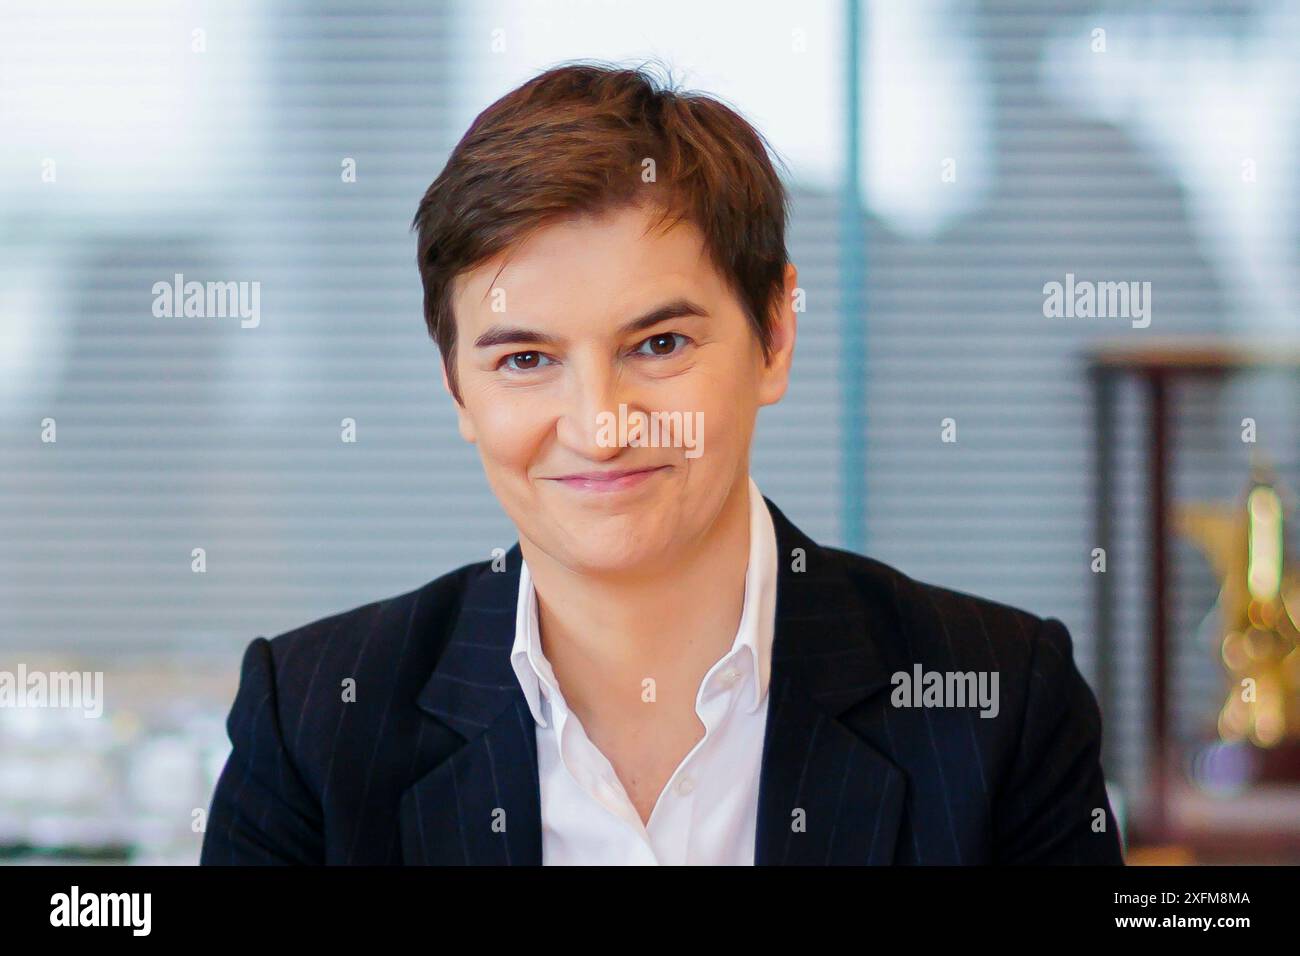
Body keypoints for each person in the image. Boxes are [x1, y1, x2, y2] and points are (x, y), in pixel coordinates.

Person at [200, 61, 1123, 866]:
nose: (600, 428)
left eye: (659, 344)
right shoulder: (317, 725)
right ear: (456, 390)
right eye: (525, 360)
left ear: (774, 336)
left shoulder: (999, 706)